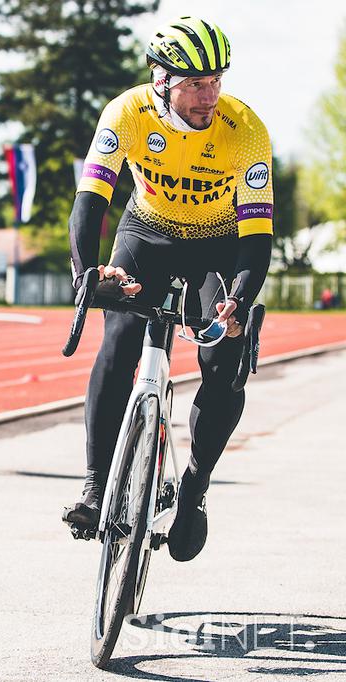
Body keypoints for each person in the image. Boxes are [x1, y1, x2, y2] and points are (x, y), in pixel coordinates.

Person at [63, 17, 273, 562]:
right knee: (117, 347)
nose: (210, 94)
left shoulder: (244, 128)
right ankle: (95, 484)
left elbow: (257, 235)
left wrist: (239, 300)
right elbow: (91, 202)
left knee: (223, 363)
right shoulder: (126, 114)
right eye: (196, 83)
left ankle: (195, 491)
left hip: (217, 244)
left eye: (216, 80)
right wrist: (88, 272)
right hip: (145, 235)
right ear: (161, 80)